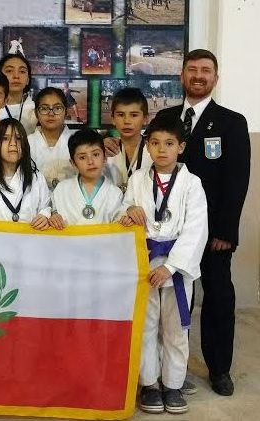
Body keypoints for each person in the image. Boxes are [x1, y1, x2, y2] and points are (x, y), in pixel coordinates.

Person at [153, 49, 251, 396]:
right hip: (167, 231)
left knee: (218, 297)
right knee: (169, 299)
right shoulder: (165, 117)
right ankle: (167, 368)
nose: (198, 75)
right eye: (192, 69)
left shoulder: (231, 122)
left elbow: (237, 181)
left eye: (206, 70)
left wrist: (225, 230)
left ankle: (219, 368)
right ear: (181, 75)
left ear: (215, 78)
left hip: (211, 233)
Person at [119, 117, 208, 414]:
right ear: (147, 146)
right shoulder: (137, 179)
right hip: (144, 263)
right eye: (155, 143)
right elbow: (123, 209)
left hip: (176, 268)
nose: (161, 149)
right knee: (146, 325)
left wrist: (170, 267)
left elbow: (196, 229)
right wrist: (129, 209)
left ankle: (173, 384)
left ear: (181, 147)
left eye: (169, 143)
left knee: (175, 329)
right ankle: (150, 384)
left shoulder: (192, 184)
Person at [0, 118, 51, 227]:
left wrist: (45, 216)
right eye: (5, 138)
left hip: (28, 237)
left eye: (18, 138)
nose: (13, 144)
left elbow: (47, 207)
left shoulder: (37, 178)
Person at [49, 129, 122, 229]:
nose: (90, 162)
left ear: (105, 158)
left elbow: (119, 229)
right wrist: (52, 217)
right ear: (73, 163)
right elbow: (50, 214)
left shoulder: (115, 193)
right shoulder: (61, 190)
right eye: (82, 157)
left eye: (96, 154)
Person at [104, 87, 153, 193]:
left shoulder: (155, 150)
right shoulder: (105, 149)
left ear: (145, 119)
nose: (127, 121)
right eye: (121, 115)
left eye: (134, 115)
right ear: (113, 119)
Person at [28, 87, 76, 191]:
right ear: (36, 113)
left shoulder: (78, 142)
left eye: (57, 108)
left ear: (66, 112)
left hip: (71, 199)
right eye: (44, 108)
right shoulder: (27, 143)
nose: (51, 114)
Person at [0, 53, 37, 134]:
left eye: (22, 71)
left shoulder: (36, 111)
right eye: (9, 71)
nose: (16, 76)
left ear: (28, 80)